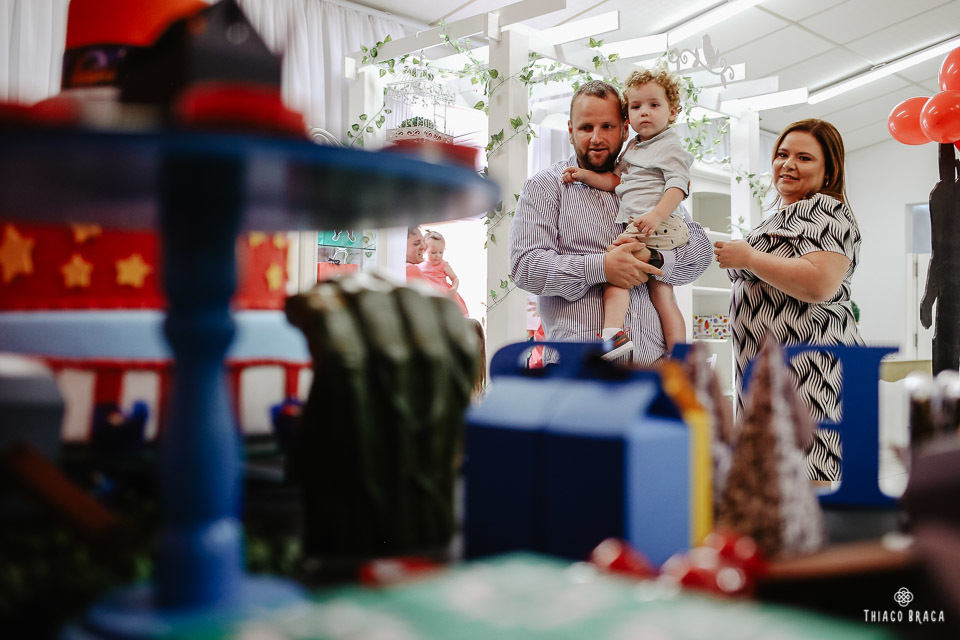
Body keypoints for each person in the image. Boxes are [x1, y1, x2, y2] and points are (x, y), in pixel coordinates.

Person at [510, 80, 712, 365]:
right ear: (570, 131)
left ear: (625, 129)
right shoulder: (545, 187)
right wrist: (602, 267)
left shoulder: (650, 181)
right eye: (586, 127)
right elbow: (525, 267)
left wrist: (653, 258)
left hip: (655, 369)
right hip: (582, 371)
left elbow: (700, 253)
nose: (596, 138)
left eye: (607, 126)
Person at [714, 118, 863, 482]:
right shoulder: (783, 216)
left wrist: (750, 258)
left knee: (806, 480)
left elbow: (820, 283)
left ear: (829, 171)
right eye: (782, 154)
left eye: (804, 158)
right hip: (769, 373)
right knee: (773, 484)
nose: (788, 164)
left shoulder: (825, 210)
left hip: (809, 371)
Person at [562, 68, 693, 359]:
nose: (644, 112)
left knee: (615, 274)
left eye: (654, 105)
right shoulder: (634, 148)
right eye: (636, 106)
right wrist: (585, 176)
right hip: (651, 223)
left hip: (655, 224)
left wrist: (656, 218)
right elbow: (617, 181)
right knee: (662, 293)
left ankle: (612, 335)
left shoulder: (670, 147)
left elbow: (679, 186)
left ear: (672, 112)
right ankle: (679, 355)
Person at [418, 229, 469, 316]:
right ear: (425, 250)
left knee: (448, 314)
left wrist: (454, 288)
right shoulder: (420, 266)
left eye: (441, 252)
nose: (438, 255)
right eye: (433, 252)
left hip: (444, 294)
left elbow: (454, 278)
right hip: (430, 295)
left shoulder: (444, 265)